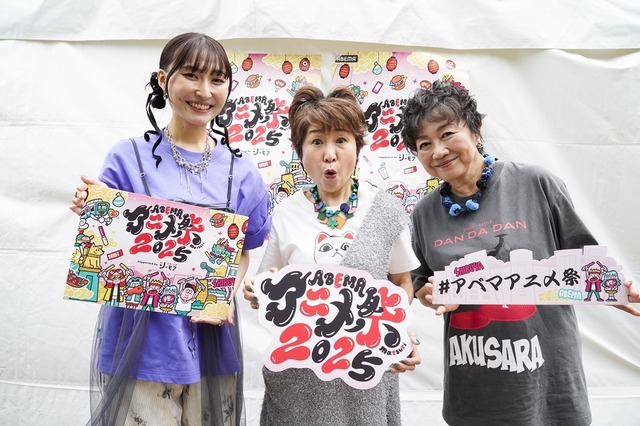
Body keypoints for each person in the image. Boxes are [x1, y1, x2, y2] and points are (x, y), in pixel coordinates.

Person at [400, 80, 640, 426]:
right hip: (474, 385)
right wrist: (429, 294)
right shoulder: (424, 214)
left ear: (476, 129)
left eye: (447, 134)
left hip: (549, 383)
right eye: (425, 144)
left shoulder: (536, 183)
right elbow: (420, 284)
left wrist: (610, 286)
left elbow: (584, 260)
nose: (438, 151)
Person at [70, 32, 271, 426]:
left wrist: (223, 295)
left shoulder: (242, 171)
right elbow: (106, 246)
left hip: (210, 341)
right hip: (140, 344)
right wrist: (92, 212)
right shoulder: (127, 157)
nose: (204, 91)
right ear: (163, 79)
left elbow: (242, 251)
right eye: (191, 75)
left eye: (217, 79)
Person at [242, 85, 422, 426]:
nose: (329, 154)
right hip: (298, 379)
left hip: (363, 375)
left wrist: (395, 333)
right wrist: (257, 292)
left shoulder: (385, 210)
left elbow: (402, 283)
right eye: (316, 141)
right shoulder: (286, 213)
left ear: (357, 146)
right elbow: (268, 284)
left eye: (341, 140)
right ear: (300, 152)